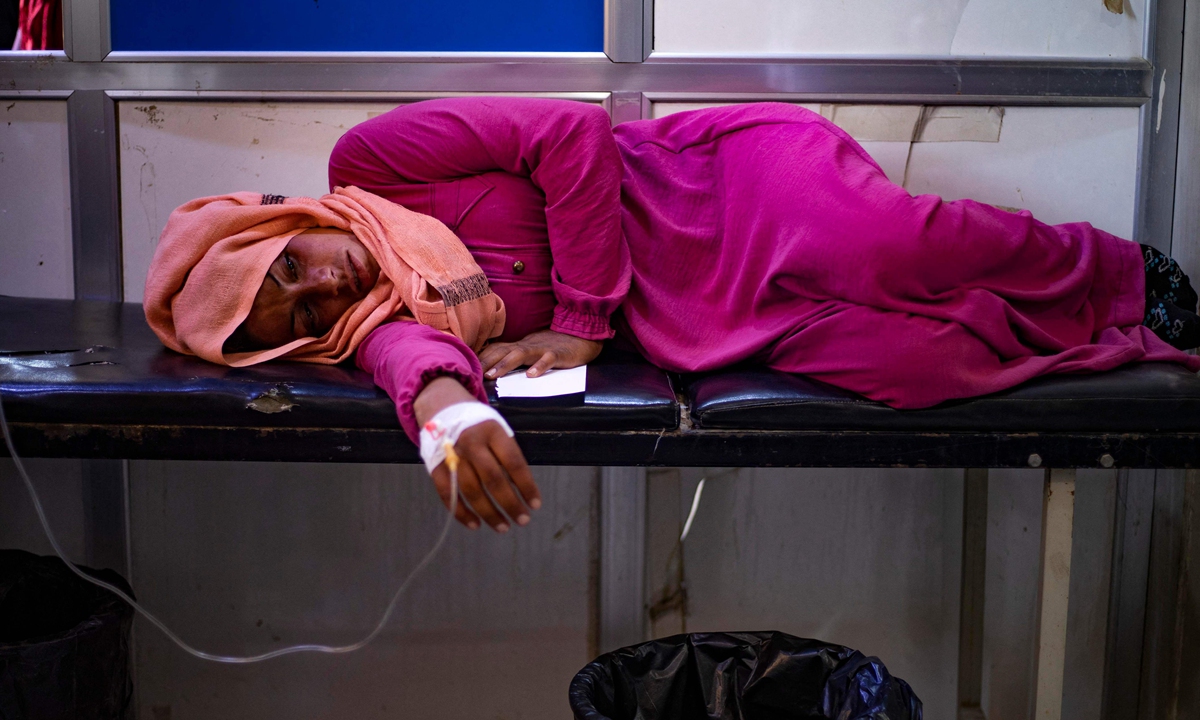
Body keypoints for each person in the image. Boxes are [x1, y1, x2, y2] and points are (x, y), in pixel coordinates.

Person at [145, 98, 1200, 534]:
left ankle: (1120, 279)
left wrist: (586, 319)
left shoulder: (365, 166)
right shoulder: (363, 321)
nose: (315, 290)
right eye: (281, 315)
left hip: (710, 190)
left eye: (284, 266)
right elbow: (407, 356)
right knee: (912, 363)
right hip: (697, 320)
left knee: (892, 247)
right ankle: (1107, 342)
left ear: (270, 220)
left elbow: (568, 135)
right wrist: (450, 417)